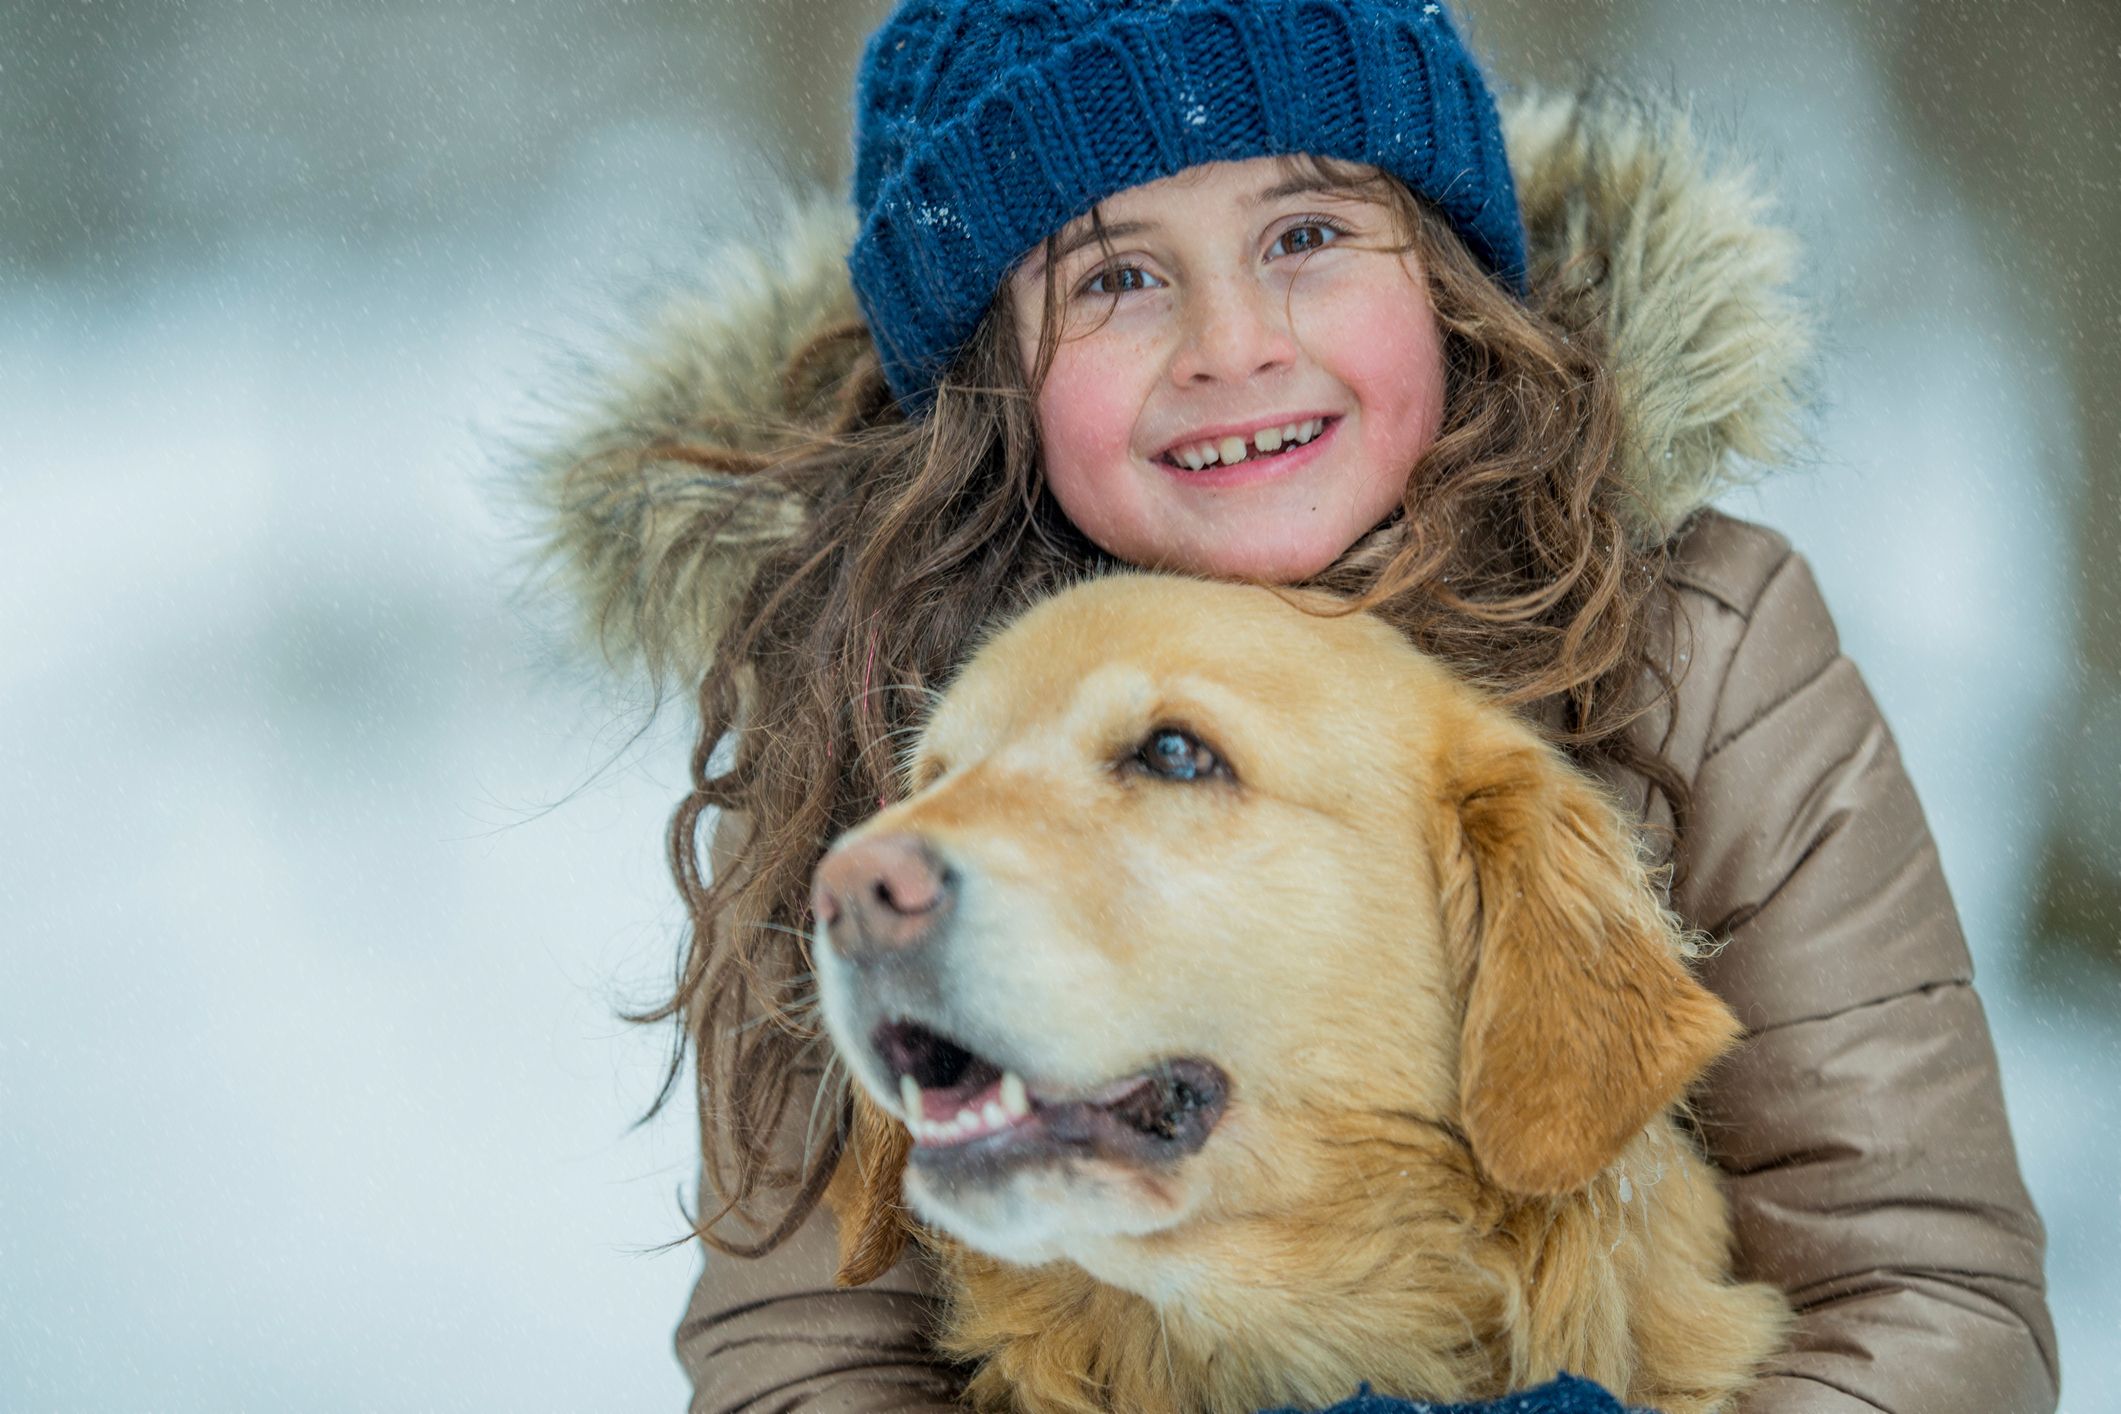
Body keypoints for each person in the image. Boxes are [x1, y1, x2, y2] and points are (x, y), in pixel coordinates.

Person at [523, 1, 2057, 1409]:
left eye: (1308, 232)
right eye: (1116, 276)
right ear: (995, 372)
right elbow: (796, 1357)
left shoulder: (1702, 645)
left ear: (1441, 273)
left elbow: (1926, 1285)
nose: (1233, 345)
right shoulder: (850, 693)